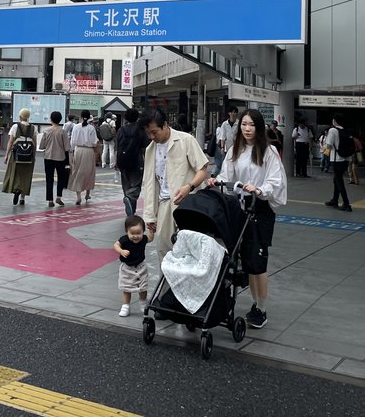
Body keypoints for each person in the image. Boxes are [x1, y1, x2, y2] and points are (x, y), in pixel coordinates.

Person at [214, 108, 287, 329]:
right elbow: (226, 175)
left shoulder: (269, 151)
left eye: (252, 125)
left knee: (258, 262)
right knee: (245, 260)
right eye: (244, 124)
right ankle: (252, 304)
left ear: (259, 127)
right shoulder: (235, 150)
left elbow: (276, 181)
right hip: (240, 208)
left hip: (260, 209)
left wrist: (259, 189)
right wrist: (216, 181)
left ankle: (261, 308)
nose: (247, 129)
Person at [141, 108, 209, 263]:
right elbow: (150, 184)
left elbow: (203, 169)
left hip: (189, 205)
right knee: (164, 252)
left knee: (189, 253)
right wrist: (150, 216)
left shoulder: (186, 140)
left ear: (165, 125)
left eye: (154, 132)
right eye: (148, 133)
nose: (152, 137)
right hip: (165, 205)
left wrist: (189, 187)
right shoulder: (150, 149)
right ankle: (167, 288)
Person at [114, 215, 151, 317]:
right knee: (126, 288)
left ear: (143, 231)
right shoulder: (124, 239)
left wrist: (151, 230)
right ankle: (125, 306)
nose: (135, 236)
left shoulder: (143, 239)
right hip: (127, 268)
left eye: (138, 233)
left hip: (141, 267)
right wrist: (121, 251)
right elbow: (116, 245)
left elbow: (150, 239)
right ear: (127, 231)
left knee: (143, 288)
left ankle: (143, 302)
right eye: (132, 233)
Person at [115, 109, 149, 216]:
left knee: (126, 185)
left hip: (122, 161)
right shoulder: (141, 130)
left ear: (126, 118)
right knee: (136, 185)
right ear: (137, 117)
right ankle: (130, 199)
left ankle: (131, 209)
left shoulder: (121, 130)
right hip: (137, 161)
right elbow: (145, 148)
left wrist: (116, 161)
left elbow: (117, 147)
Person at [2, 108, 37, 205]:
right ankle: (22, 198)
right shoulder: (33, 128)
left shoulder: (15, 126)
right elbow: (34, 143)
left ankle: (16, 189)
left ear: (20, 116)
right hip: (29, 156)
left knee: (15, 173)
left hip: (16, 155)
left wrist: (6, 155)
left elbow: (10, 141)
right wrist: (33, 156)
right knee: (26, 175)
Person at [67, 109, 98, 205]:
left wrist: (71, 152)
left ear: (80, 117)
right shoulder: (91, 128)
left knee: (77, 172)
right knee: (89, 172)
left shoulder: (76, 127)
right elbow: (94, 142)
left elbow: (72, 142)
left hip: (78, 150)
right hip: (88, 151)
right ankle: (87, 194)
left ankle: (78, 196)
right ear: (89, 118)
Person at [323, 114, 353, 212]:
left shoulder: (333, 130)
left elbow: (329, 145)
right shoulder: (346, 131)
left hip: (336, 160)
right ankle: (334, 200)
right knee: (336, 179)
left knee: (339, 181)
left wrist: (324, 149)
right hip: (346, 159)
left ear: (335, 121)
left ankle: (346, 204)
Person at [39, 111, 70, 207]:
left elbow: (41, 146)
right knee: (61, 177)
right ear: (60, 120)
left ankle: (50, 200)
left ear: (51, 119)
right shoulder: (63, 132)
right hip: (60, 158)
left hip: (48, 157)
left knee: (49, 178)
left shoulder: (46, 131)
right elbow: (67, 147)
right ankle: (59, 197)